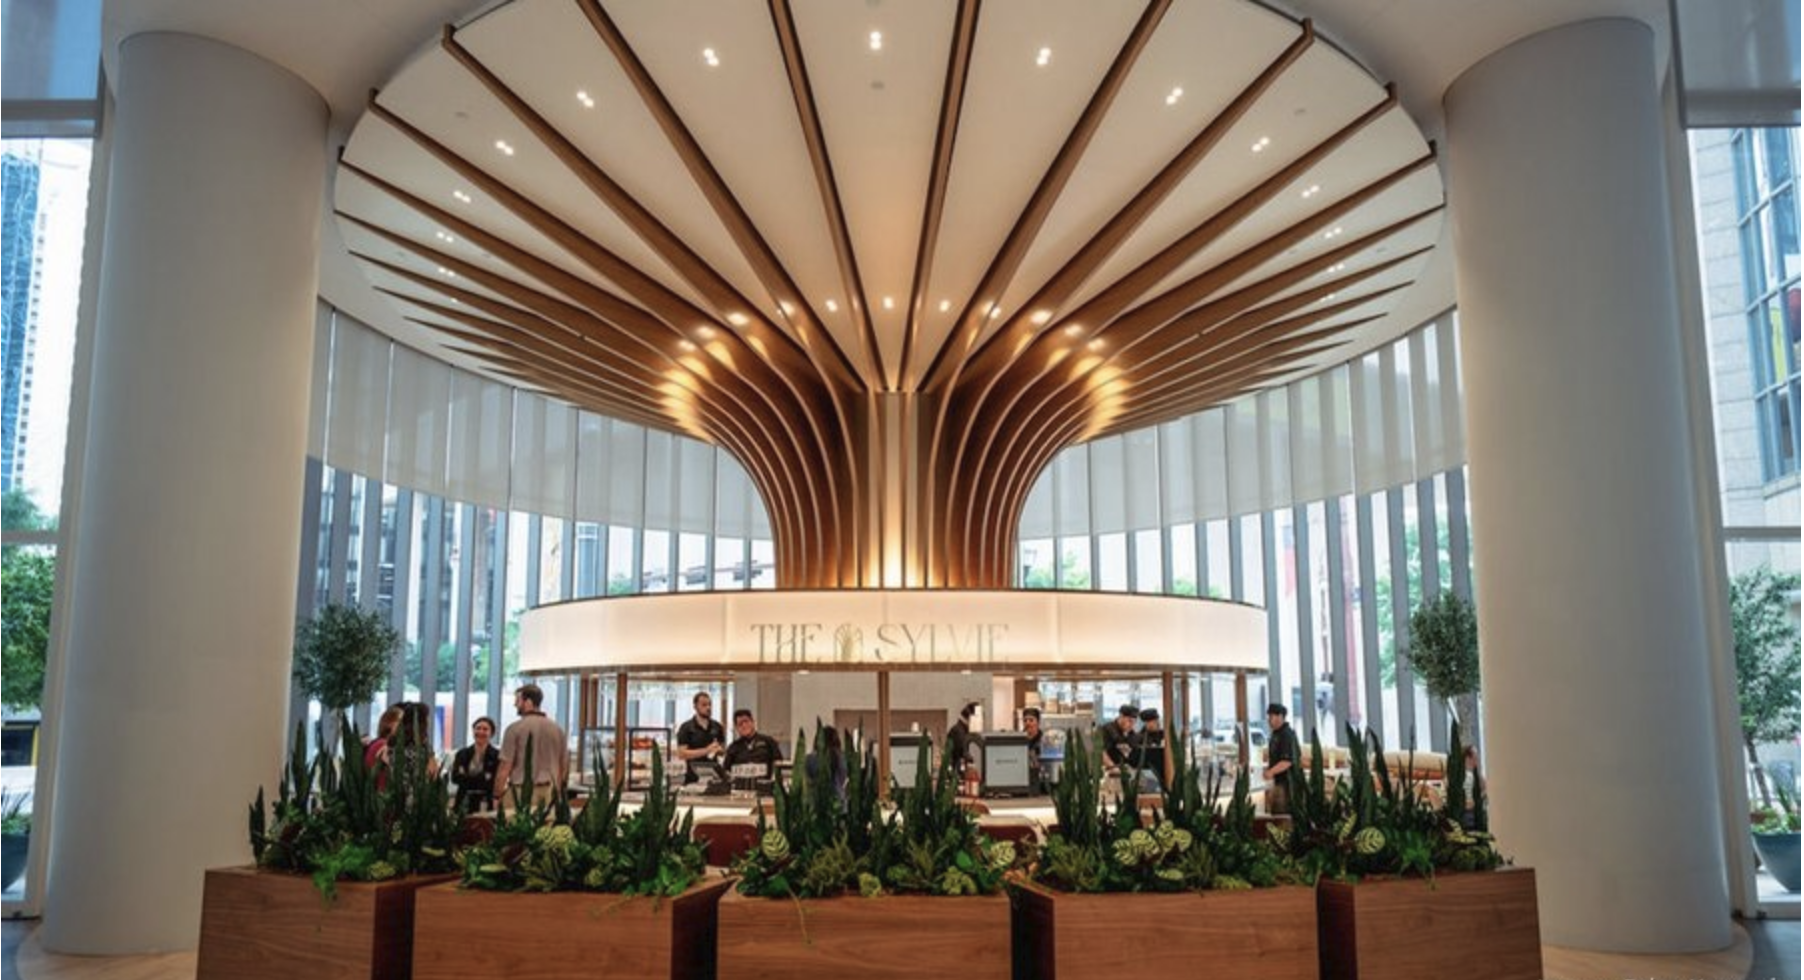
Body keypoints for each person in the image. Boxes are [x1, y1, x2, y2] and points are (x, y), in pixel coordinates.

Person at [494, 683, 568, 811]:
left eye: (518, 700)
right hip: (549, 793)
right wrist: (558, 794)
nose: (515, 705)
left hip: (520, 793)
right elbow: (563, 767)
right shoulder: (557, 730)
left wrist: (497, 794)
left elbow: (505, 767)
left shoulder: (514, 729)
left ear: (528, 702)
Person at [723, 708, 782, 792]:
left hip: (764, 791)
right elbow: (726, 770)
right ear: (736, 728)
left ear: (753, 722)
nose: (744, 725)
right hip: (740, 792)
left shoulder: (768, 741)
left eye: (746, 721)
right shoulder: (733, 747)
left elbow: (778, 763)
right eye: (740, 724)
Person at [675, 691, 728, 785]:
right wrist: (706, 750)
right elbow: (682, 754)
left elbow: (723, 751)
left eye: (709, 704)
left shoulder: (717, 726)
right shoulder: (686, 727)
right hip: (693, 777)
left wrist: (719, 750)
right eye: (704, 705)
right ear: (695, 707)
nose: (708, 708)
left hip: (714, 778)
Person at [452, 716, 501, 812]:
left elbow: (493, 781)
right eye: (478, 728)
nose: (481, 732)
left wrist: (466, 777)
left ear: (491, 733)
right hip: (463, 800)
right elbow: (455, 778)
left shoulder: (497, 755)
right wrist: (482, 777)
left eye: (485, 729)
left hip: (485, 801)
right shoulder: (462, 753)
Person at [1262, 703, 1299, 816]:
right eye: (1269, 717)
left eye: (1271, 717)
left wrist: (1271, 772)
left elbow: (1287, 761)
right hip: (1277, 782)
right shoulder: (1275, 734)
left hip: (1287, 784)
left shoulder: (1286, 735)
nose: (1269, 720)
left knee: (1281, 815)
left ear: (1280, 717)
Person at [945, 702, 980, 787]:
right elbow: (964, 754)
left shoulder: (960, 730)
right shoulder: (959, 732)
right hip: (958, 779)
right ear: (971, 718)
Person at [1100, 704, 1140, 774]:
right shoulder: (1107, 729)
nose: (1132, 724)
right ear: (1121, 717)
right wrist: (1112, 767)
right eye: (1130, 721)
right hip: (1109, 771)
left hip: (1126, 771)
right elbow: (1101, 751)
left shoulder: (1131, 733)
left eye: (1134, 722)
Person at [1135, 707, 1166, 790]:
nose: (1151, 724)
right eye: (1148, 722)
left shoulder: (1164, 734)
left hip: (1165, 769)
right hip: (1147, 772)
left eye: (1154, 721)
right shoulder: (1140, 736)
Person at [1022, 707, 1044, 791]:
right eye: (1025, 720)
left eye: (1031, 720)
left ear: (1038, 722)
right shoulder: (1019, 740)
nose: (1027, 723)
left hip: (1040, 783)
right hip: (1023, 781)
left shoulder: (1044, 740)